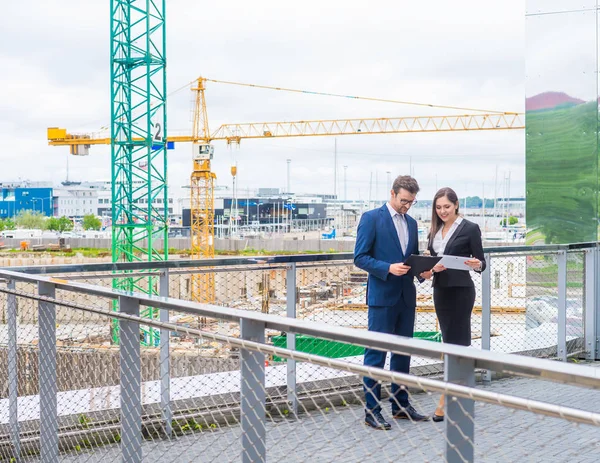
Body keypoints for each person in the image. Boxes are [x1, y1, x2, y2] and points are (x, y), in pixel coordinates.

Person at [354, 175, 429, 430]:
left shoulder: (413, 223)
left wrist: (423, 271)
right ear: (392, 193)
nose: (407, 206)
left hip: (406, 297)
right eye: (404, 201)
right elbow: (360, 257)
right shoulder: (371, 218)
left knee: (402, 355)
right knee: (375, 355)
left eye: (411, 202)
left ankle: (400, 406)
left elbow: (411, 260)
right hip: (382, 298)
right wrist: (387, 268)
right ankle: (371, 411)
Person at [420, 187, 486, 422]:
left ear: (456, 205)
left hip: (461, 292)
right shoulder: (434, 230)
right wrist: (427, 270)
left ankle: (445, 401)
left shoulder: (470, 228)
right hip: (441, 291)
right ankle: (461, 394)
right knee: (450, 345)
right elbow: (427, 267)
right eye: (438, 207)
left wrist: (476, 263)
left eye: (446, 206)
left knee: (456, 346)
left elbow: (481, 263)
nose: (442, 211)